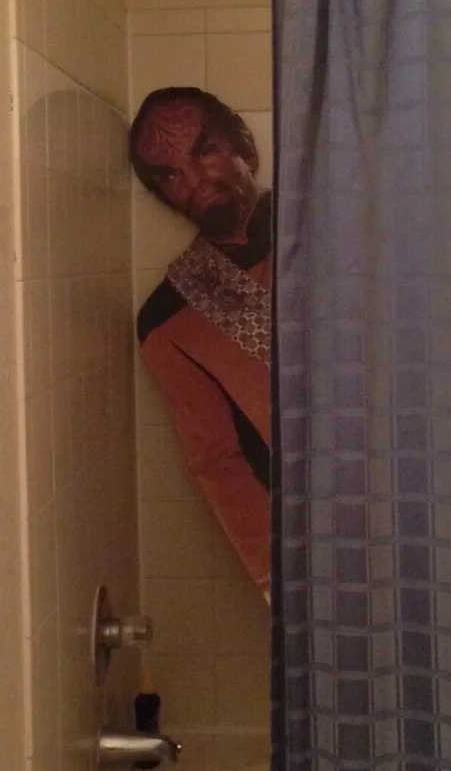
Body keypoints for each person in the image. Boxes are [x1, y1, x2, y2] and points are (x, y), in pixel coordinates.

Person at [130, 87, 271, 602]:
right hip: (317, 532)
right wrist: (277, 582)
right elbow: (218, 462)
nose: (192, 181)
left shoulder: (330, 224)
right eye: (169, 175)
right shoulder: (168, 318)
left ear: (244, 146)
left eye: (203, 151)